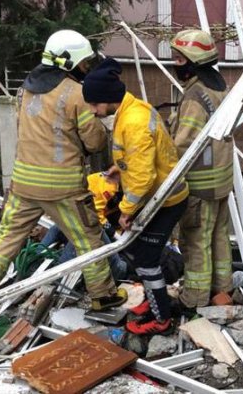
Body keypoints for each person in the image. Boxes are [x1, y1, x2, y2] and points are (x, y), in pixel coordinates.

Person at [0, 30, 127, 312]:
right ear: (71, 63)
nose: (86, 68)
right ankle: (103, 295)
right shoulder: (77, 94)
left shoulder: (24, 90)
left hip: (24, 183)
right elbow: (93, 141)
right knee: (87, 239)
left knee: (6, 237)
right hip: (63, 187)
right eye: (84, 63)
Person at [82, 58, 189, 335]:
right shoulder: (130, 110)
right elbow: (143, 156)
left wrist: (127, 210)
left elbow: (143, 177)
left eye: (94, 104)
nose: (93, 111)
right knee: (131, 249)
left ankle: (161, 319)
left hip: (165, 201)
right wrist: (121, 167)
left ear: (106, 98)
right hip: (156, 197)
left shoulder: (134, 121)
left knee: (145, 258)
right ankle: (155, 302)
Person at [168, 29, 234, 310]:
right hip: (221, 179)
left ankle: (194, 298)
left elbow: (184, 142)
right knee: (219, 237)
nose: (176, 63)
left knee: (196, 241)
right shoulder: (219, 86)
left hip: (200, 183)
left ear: (193, 61)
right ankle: (223, 289)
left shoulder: (195, 94)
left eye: (179, 59)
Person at [40, 172, 128, 281]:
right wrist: (115, 234)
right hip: (85, 218)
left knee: (63, 229)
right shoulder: (109, 188)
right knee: (79, 235)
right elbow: (96, 216)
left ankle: (41, 262)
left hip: (75, 211)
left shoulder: (102, 178)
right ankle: (52, 273)